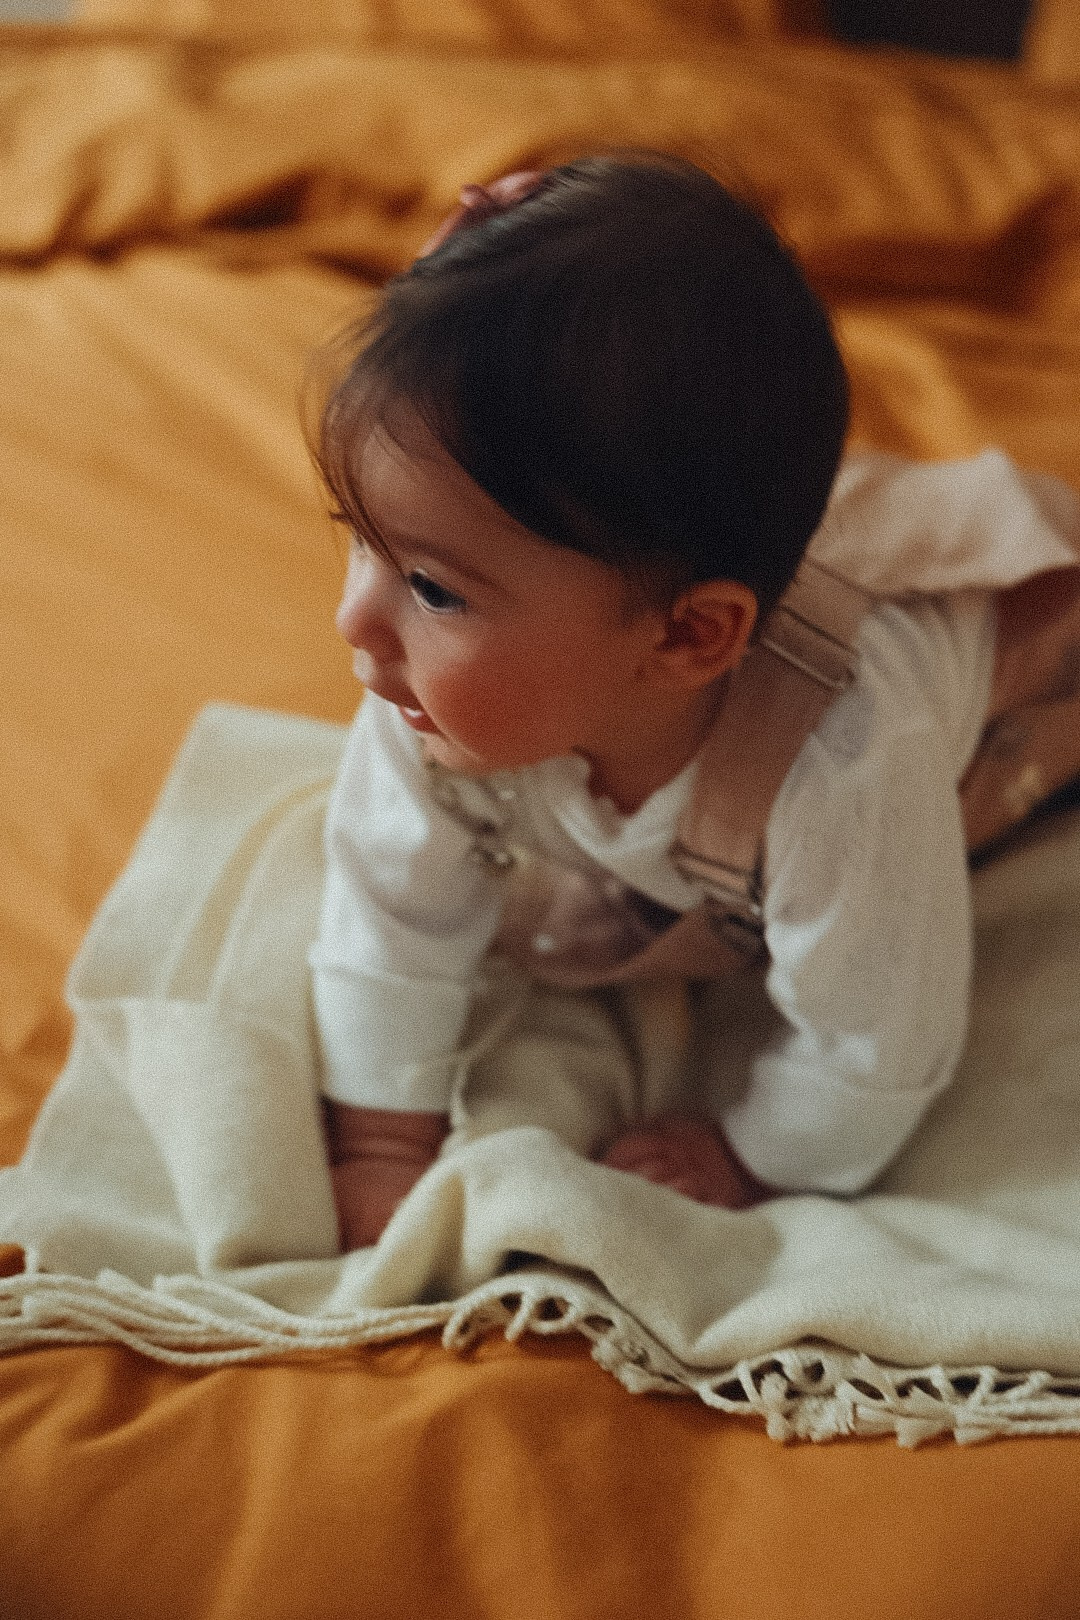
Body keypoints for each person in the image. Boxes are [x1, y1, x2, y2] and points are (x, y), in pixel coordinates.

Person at [307, 152, 1080, 1250]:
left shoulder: (843, 761)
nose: (356, 620)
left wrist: (758, 1153)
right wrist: (383, 1137)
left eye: (434, 589)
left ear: (685, 636)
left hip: (1027, 680)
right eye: (360, 542)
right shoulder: (432, 697)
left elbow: (881, 1033)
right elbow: (388, 910)